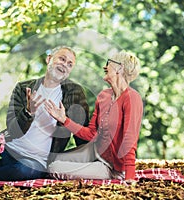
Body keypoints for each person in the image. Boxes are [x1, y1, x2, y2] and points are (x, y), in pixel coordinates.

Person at [0, 46, 89, 181]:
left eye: (70, 64)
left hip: (36, 161)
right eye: (62, 59)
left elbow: (82, 132)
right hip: (8, 149)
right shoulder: (23, 88)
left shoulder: (74, 93)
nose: (65, 65)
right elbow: (13, 129)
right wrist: (29, 112)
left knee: (20, 171)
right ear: (49, 59)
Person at [44, 50, 143, 181]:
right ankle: (91, 166)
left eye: (109, 63)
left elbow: (129, 141)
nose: (105, 67)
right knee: (52, 161)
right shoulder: (103, 96)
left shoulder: (132, 98)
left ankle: (106, 173)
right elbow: (91, 133)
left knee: (54, 168)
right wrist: (64, 120)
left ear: (119, 68)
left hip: (111, 166)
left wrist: (130, 178)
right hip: (95, 151)